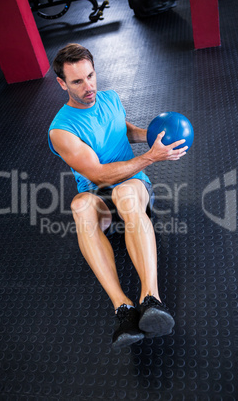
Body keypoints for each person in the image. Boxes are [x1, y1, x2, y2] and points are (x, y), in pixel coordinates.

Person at [48, 43, 187, 349]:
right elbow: (97, 175)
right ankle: (122, 307)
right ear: (61, 84)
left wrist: (155, 139)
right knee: (79, 205)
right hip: (98, 193)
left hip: (132, 186)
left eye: (91, 76)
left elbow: (122, 130)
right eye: (78, 81)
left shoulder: (109, 98)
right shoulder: (61, 130)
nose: (89, 87)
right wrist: (152, 157)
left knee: (125, 192)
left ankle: (151, 298)